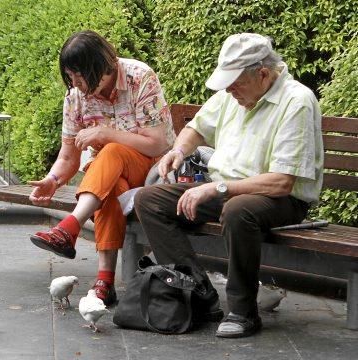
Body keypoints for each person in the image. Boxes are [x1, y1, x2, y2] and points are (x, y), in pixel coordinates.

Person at [134, 33, 323, 338]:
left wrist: (216, 189)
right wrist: (178, 151)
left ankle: (243, 311)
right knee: (148, 200)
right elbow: (196, 127)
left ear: (263, 73)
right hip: (225, 189)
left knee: (237, 210)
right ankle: (200, 295)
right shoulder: (232, 95)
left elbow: (282, 181)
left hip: (278, 198)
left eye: (236, 84)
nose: (230, 91)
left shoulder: (297, 101)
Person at [28, 30, 173, 306]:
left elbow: (157, 144)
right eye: (70, 78)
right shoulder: (75, 98)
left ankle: (69, 226)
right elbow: (69, 156)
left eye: (79, 77)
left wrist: (106, 134)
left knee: (112, 150)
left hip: (153, 172)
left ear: (100, 67)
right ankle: (105, 282)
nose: (76, 85)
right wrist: (53, 179)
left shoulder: (139, 77)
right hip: (109, 178)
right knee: (111, 186)